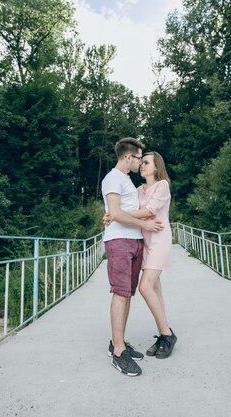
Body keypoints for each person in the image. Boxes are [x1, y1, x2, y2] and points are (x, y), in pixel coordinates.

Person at [105, 151, 177, 360]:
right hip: (145, 241)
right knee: (155, 289)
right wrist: (116, 213)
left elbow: (148, 211)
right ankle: (163, 334)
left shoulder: (162, 185)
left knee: (145, 287)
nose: (142, 165)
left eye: (146, 162)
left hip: (159, 239)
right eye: (141, 161)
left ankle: (168, 334)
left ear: (156, 167)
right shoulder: (138, 189)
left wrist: (114, 215)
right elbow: (130, 208)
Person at [101, 137, 164, 377]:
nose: (140, 162)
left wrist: (131, 223)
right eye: (139, 158)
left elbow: (118, 212)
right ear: (129, 157)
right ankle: (118, 352)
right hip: (119, 241)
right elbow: (115, 212)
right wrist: (143, 225)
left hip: (134, 242)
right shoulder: (113, 178)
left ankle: (119, 342)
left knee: (127, 295)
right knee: (120, 294)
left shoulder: (126, 180)